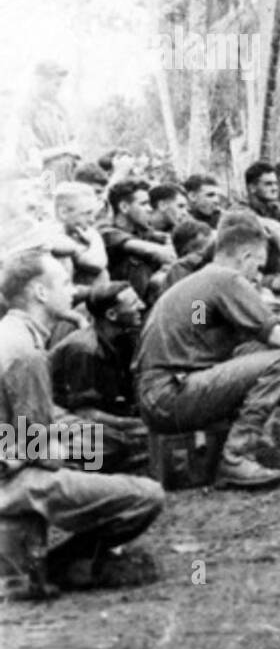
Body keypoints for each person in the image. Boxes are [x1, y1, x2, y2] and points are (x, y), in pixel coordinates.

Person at [0, 249, 163, 593]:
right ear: (40, 293)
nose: (73, 291)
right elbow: (37, 449)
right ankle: (56, 566)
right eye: (63, 282)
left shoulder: (11, 333)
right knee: (147, 496)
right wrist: (81, 454)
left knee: (101, 446)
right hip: (13, 477)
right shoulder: (26, 352)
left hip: (12, 455)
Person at [133, 217, 280, 490]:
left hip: (162, 392)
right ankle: (236, 457)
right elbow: (278, 334)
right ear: (246, 256)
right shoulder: (225, 278)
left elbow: (212, 333)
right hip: (170, 395)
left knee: (273, 347)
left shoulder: (203, 278)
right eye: (259, 267)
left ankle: (258, 441)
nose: (258, 276)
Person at [49, 281, 150, 472]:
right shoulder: (84, 349)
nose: (142, 306)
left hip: (88, 419)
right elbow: (83, 412)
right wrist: (135, 425)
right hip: (56, 421)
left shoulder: (122, 339)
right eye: (134, 303)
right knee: (116, 445)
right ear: (111, 315)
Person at [100, 180, 177, 302]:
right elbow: (154, 250)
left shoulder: (142, 231)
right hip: (120, 308)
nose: (149, 209)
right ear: (124, 207)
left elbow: (168, 240)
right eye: (143, 204)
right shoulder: (106, 231)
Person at [19, 60, 80, 186]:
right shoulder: (27, 111)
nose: (58, 89)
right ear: (40, 82)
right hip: (46, 175)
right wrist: (66, 150)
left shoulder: (60, 109)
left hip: (68, 174)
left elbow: (73, 140)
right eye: (56, 84)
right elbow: (34, 157)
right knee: (48, 202)